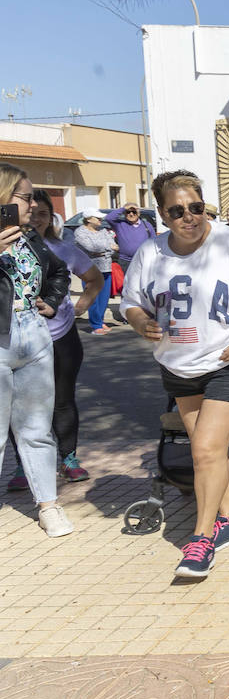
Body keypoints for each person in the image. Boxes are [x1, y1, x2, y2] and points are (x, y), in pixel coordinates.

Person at [122, 171, 229, 579]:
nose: (190, 217)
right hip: (180, 366)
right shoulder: (150, 253)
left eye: (197, 207)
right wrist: (138, 322)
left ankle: (200, 541)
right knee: (210, 453)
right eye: (178, 211)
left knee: (204, 450)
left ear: (205, 206)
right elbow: (130, 301)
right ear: (162, 215)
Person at [5, 190, 103, 491]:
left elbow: (95, 278)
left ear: (51, 219)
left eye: (43, 214)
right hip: (14, 338)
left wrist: (81, 305)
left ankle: (68, 459)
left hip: (60, 337)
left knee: (61, 400)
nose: (36, 218)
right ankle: (24, 465)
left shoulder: (62, 249)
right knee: (16, 407)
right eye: (32, 212)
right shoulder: (5, 245)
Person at [0, 164, 74, 537]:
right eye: (26, 197)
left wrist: (51, 300)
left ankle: (49, 505)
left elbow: (60, 271)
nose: (33, 205)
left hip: (33, 334)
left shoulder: (29, 236)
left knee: (36, 429)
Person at [72, 210, 116, 334]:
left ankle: (100, 321)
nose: (100, 221)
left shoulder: (103, 231)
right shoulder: (80, 232)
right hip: (89, 269)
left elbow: (114, 247)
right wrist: (107, 248)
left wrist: (103, 250)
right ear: (89, 219)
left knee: (104, 297)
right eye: (98, 218)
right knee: (92, 298)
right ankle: (95, 325)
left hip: (106, 267)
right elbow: (91, 248)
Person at [104, 201, 156, 269]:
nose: (131, 214)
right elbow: (108, 218)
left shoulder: (147, 225)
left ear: (138, 213)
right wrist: (124, 208)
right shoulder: (119, 224)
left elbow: (154, 241)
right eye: (128, 212)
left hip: (144, 260)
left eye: (134, 212)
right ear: (124, 213)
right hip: (125, 262)